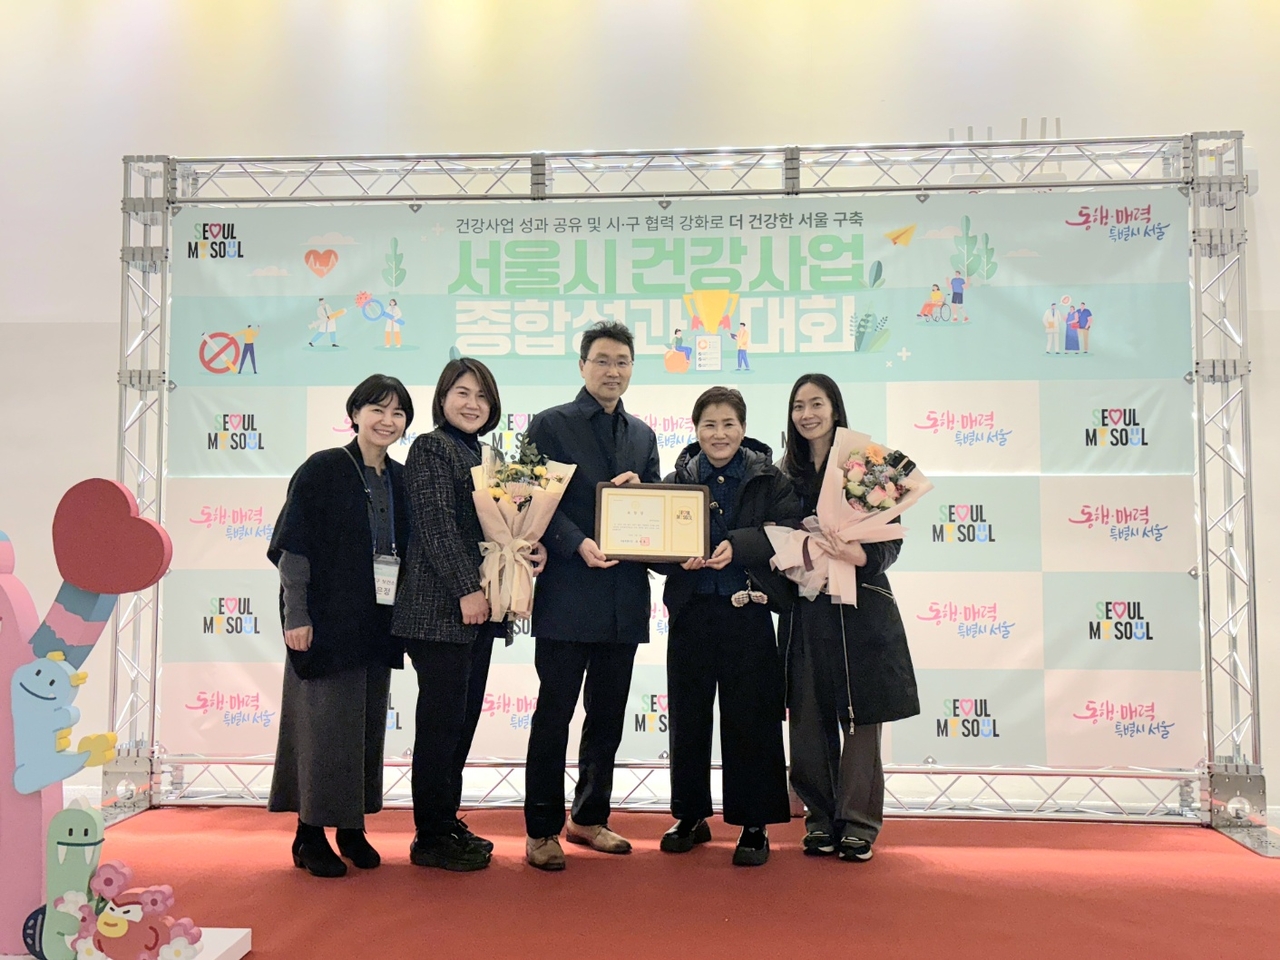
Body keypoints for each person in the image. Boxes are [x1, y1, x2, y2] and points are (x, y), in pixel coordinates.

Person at [392, 357, 546, 871]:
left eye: (481, 395)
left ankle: (444, 818)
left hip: (479, 611)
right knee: (440, 726)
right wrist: (466, 589)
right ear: (442, 399)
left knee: (461, 723)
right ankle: (430, 836)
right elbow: (435, 525)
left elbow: (501, 528)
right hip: (441, 609)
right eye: (461, 392)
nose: (472, 403)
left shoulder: (487, 455)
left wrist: (526, 549)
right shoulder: (431, 448)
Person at [522, 321, 661, 871]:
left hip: (624, 597)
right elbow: (528, 498)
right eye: (602, 360)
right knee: (553, 713)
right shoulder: (549, 424)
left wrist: (644, 499)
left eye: (622, 361)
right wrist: (575, 542)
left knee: (607, 716)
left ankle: (589, 817)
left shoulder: (643, 435)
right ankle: (540, 829)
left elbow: (654, 512)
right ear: (582, 365)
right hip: (567, 592)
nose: (612, 371)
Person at [267, 374, 413, 877]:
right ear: (354, 414)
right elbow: (293, 549)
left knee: (364, 729)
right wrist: (297, 614)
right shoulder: (324, 468)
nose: (387, 420)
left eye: (397, 413)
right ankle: (309, 834)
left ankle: (351, 828)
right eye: (377, 409)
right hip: (326, 622)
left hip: (377, 622)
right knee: (322, 728)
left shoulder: (400, 479)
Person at [780, 373, 920, 863]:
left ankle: (858, 824)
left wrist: (858, 555)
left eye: (816, 403)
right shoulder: (783, 475)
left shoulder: (867, 466)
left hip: (860, 610)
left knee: (861, 719)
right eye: (798, 406)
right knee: (808, 716)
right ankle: (819, 820)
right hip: (806, 609)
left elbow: (891, 537)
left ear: (835, 409)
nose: (807, 414)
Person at [658, 387, 800, 866]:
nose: (719, 434)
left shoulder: (770, 479)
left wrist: (739, 546)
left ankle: (754, 823)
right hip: (692, 612)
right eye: (709, 425)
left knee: (753, 719)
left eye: (728, 424)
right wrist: (675, 556)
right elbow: (653, 547)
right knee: (688, 718)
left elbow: (790, 532)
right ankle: (690, 815)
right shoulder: (676, 480)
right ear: (695, 430)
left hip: (749, 611)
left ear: (743, 427)